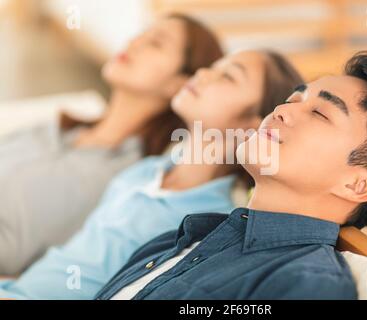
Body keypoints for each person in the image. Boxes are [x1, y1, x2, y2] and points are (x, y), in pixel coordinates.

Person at [94, 51, 367, 300]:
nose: (282, 111)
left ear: (357, 184)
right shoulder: (181, 236)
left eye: (318, 113)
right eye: (292, 99)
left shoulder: (305, 283)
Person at [0, 50, 303, 299]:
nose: (202, 74)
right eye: (211, 67)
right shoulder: (144, 172)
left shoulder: (204, 222)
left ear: (255, 125)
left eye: (227, 76)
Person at [0, 13, 223, 274]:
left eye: (156, 43)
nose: (134, 42)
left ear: (181, 84)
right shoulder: (55, 128)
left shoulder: (124, 180)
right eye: (141, 35)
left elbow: (13, 254)